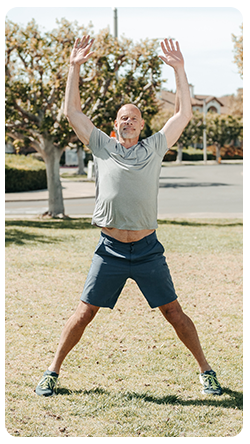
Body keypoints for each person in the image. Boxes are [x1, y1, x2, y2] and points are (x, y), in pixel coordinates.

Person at [36, 35, 222, 397]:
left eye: (134, 118)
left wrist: (180, 70)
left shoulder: (154, 147)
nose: (129, 122)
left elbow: (183, 114)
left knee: (174, 312)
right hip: (110, 250)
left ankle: (206, 371)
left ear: (141, 125)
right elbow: (72, 113)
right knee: (84, 313)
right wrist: (74, 67)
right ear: (115, 125)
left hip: (148, 249)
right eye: (123, 117)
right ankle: (52, 371)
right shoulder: (102, 146)